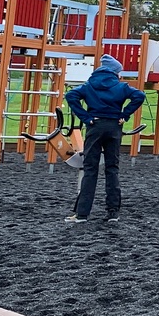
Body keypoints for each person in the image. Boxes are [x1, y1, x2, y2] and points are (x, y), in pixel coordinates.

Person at [64, 55, 145, 223]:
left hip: (95, 126)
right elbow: (139, 96)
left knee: (90, 169)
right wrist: (125, 114)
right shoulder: (121, 87)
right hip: (114, 126)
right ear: (115, 72)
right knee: (112, 168)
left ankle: (82, 214)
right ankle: (113, 212)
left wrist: (85, 117)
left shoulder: (89, 85)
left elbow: (71, 95)